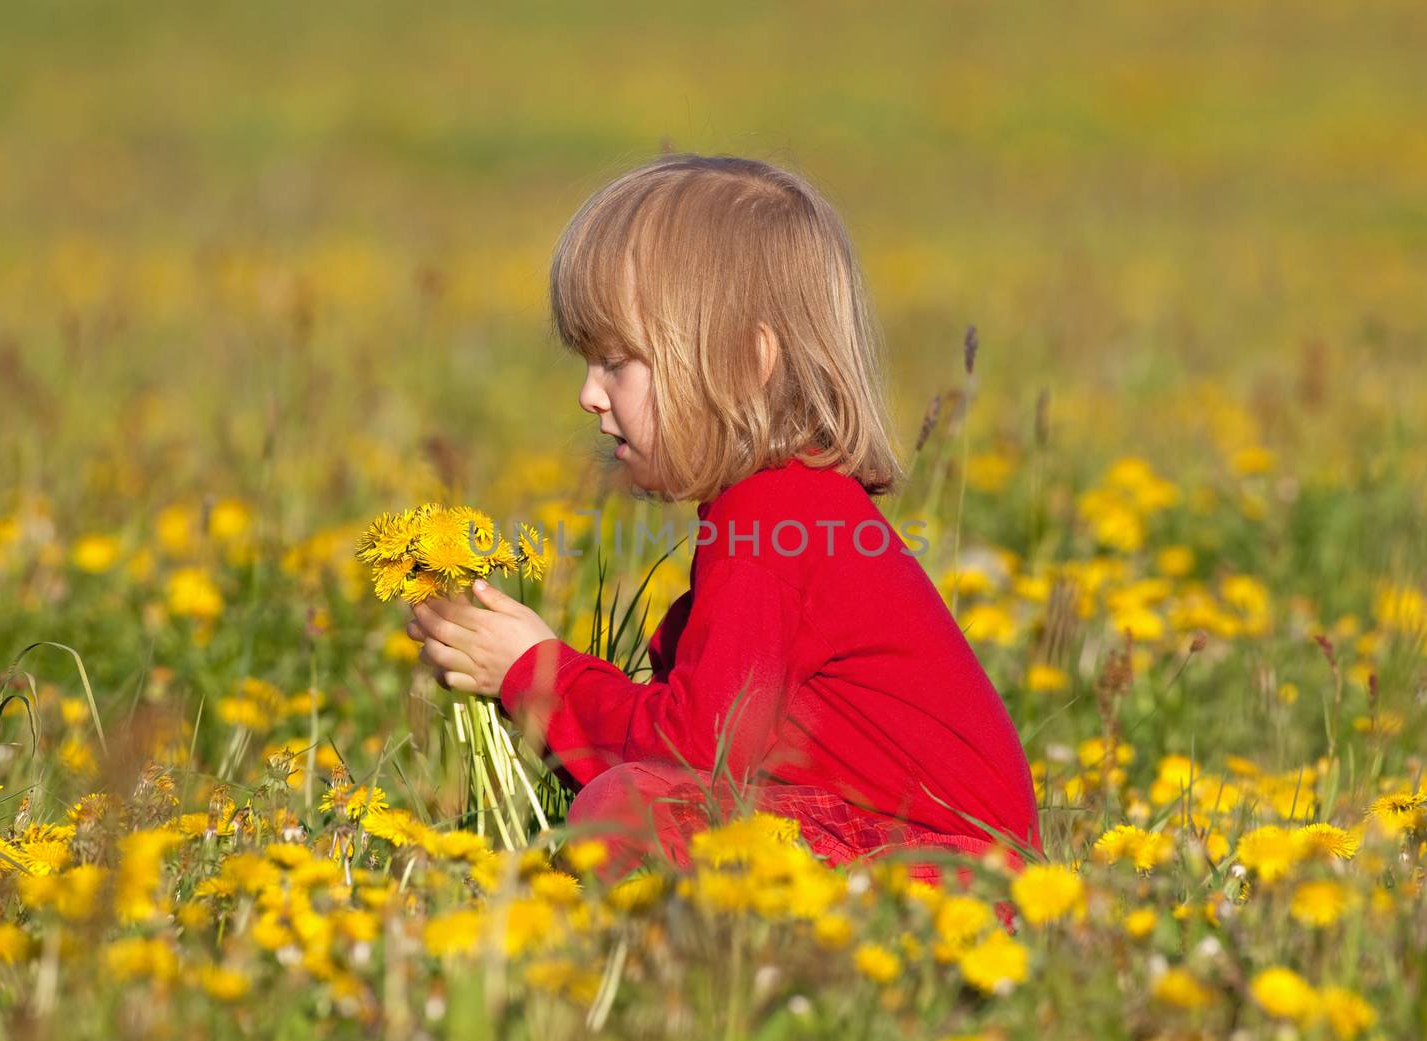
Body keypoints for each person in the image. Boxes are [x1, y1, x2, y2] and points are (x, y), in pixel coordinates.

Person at [406, 153, 1040, 888]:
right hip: (940, 862)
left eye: (617, 361)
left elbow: (691, 754)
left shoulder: (775, 517)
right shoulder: (790, 507)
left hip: (942, 879)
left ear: (745, 361)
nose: (588, 393)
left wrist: (535, 676)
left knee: (632, 807)